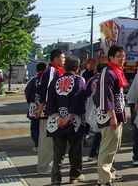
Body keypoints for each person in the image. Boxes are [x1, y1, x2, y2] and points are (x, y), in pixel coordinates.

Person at [45, 55, 87, 185]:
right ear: (78, 67)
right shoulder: (79, 80)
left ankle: (56, 178)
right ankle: (74, 176)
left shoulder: (55, 81)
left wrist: (57, 118)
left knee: (58, 152)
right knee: (75, 150)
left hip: (57, 120)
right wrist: (69, 116)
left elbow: (50, 101)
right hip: (74, 121)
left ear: (64, 67)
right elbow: (79, 99)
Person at [94, 45, 127, 186]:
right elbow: (106, 96)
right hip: (109, 115)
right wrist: (112, 116)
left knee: (114, 146)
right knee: (107, 147)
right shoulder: (107, 73)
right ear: (111, 58)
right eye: (119, 56)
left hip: (116, 114)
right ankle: (104, 179)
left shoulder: (116, 71)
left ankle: (110, 172)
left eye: (123, 56)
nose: (122, 59)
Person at [34, 49, 66, 174]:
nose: (64, 60)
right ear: (56, 59)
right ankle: (44, 167)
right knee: (46, 140)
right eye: (62, 58)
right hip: (49, 112)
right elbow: (47, 91)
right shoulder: (52, 71)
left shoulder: (53, 70)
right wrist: (41, 108)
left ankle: (47, 165)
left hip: (49, 111)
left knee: (50, 140)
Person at [84, 64, 105, 161]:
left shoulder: (91, 80)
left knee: (97, 132)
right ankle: (96, 154)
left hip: (92, 108)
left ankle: (93, 154)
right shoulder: (105, 79)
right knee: (101, 134)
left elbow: (86, 94)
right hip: (103, 109)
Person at [25, 62, 47, 150]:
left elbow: (27, 92)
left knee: (34, 126)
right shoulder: (48, 79)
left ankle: (37, 144)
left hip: (33, 105)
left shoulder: (33, 80)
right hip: (45, 106)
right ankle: (44, 144)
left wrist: (30, 101)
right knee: (44, 126)